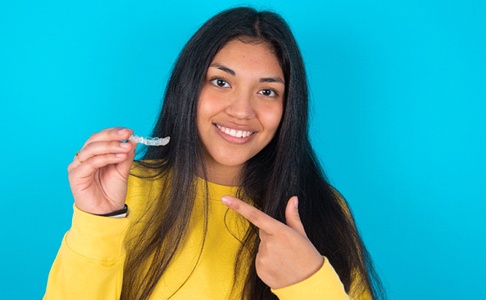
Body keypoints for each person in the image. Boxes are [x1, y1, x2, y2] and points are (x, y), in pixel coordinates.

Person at [44, 7, 385, 300]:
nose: (242, 111)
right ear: (188, 87)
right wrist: (98, 223)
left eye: (267, 91)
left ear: (289, 108)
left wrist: (309, 283)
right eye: (221, 82)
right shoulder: (122, 195)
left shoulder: (323, 208)